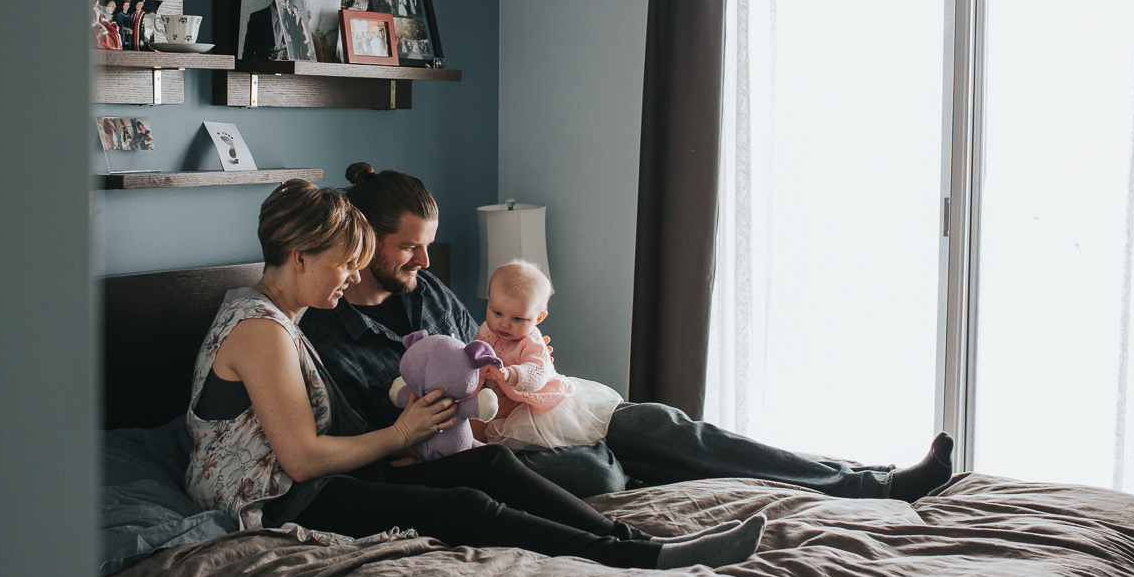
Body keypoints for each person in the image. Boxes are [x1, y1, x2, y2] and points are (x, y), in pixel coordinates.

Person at [182, 178, 765, 571]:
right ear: (300, 256)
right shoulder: (261, 330)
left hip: (314, 484)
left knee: (490, 464)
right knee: (461, 506)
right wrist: (403, 434)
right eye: (343, 265)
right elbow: (302, 459)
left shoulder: (278, 317)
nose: (349, 278)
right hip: (284, 503)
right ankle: (639, 560)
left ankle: (644, 545)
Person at [298, 163, 956, 501]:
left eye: (429, 245)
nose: (426, 261)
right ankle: (623, 467)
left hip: (531, 426)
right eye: (409, 247)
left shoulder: (431, 295)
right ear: (363, 238)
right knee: (596, 471)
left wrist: (516, 377)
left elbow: (490, 361)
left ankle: (868, 482)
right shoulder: (324, 333)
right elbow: (370, 440)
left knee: (671, 427)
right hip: (472, 464)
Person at [472, 259, 623, 452]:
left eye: (517, 319)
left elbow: (537, 371)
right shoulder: (486, 329)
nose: (504, 324)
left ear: (539, 318)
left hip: (531, 407)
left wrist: (511, 375)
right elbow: (475, 350)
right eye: (497, 312)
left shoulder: (531, 341)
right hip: (495, 408)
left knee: (544, 442)